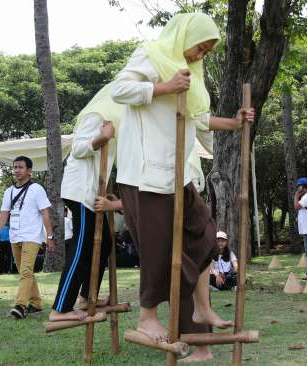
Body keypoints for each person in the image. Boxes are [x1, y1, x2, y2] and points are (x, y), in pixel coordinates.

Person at [111, 13, 254, 362]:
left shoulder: (190, 74)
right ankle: (147, 316)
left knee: (205, 236)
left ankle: (202, 309)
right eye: (199, 46)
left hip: (176, 176)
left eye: (207, 50)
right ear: (184, 36)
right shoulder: (151, 54)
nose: (201, 54)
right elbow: (120, 90)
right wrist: (164, 87)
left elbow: (198, 119)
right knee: (159, 250)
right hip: (145, 176)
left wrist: (234, 123)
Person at [49, 83, 119, 323]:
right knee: (80, 248)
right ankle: (60, 308)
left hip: (91, 192)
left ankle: (87, 296)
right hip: (79, 191)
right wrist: (102, 137)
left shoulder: (114, 121)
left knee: (105, 243)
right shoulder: (95, 115)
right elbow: (78, 149)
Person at [0, 156, 54, 320]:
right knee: (26, 272)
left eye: (20, 167)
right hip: (14, 237)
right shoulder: (8, 192)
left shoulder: (37, 189)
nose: (17, 170)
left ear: (29, 171)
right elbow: (4, 215)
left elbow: (45, 213)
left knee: (25, 272)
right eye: (15, 167)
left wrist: (49, 236)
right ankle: (36, 303)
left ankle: (20, 305)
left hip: (32, 237)